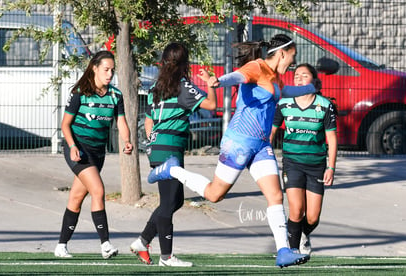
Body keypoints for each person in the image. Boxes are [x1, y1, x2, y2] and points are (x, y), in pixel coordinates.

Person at [147, 34, 316, 268]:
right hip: (238, 142)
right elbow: (238, 76)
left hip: (260, 145)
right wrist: (219, 81)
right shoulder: (257, 66)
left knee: (276, 196)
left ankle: (283, 251)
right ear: (283, 53)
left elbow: (284, 93)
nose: (293, 62)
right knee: (215, 194)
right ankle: (173, 170)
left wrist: (311, 87)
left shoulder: (277, 78)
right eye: (293, 56)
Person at [130, 42, 216, 267]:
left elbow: (148, 121)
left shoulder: (156, 87)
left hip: (158, 148)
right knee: (169, 203)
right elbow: (212, 105)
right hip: (170, 149)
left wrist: (150, 144)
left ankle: (143, 240)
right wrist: (210, 83)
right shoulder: (182, 86)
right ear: (184, 63)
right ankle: (166, 257)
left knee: (175, 200)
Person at [54, 50, 133, 259]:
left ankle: (61, 246)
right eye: (106, 70)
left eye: (112, 71)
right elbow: (65, 125)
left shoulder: (115, 95)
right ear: (95, 68)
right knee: (98, 190)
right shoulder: (80, 92)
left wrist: (127, 141)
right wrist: (72, 146)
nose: (109, 74)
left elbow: (121, 122)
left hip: (98, 152)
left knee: (77, 197)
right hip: (79, 149)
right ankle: (105, 244)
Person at [270, 63, 338, 255]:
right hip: (292, 163)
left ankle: (304, 235)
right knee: (296, 210)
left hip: (317, 165)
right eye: (296, 75)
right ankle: (291, 252)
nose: (299, 78)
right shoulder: (284, 103)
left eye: (304, 75)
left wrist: (331, 168)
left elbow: (331, 139)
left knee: (312, 217)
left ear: (314, 81)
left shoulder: (324, 106)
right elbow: (272, 132)